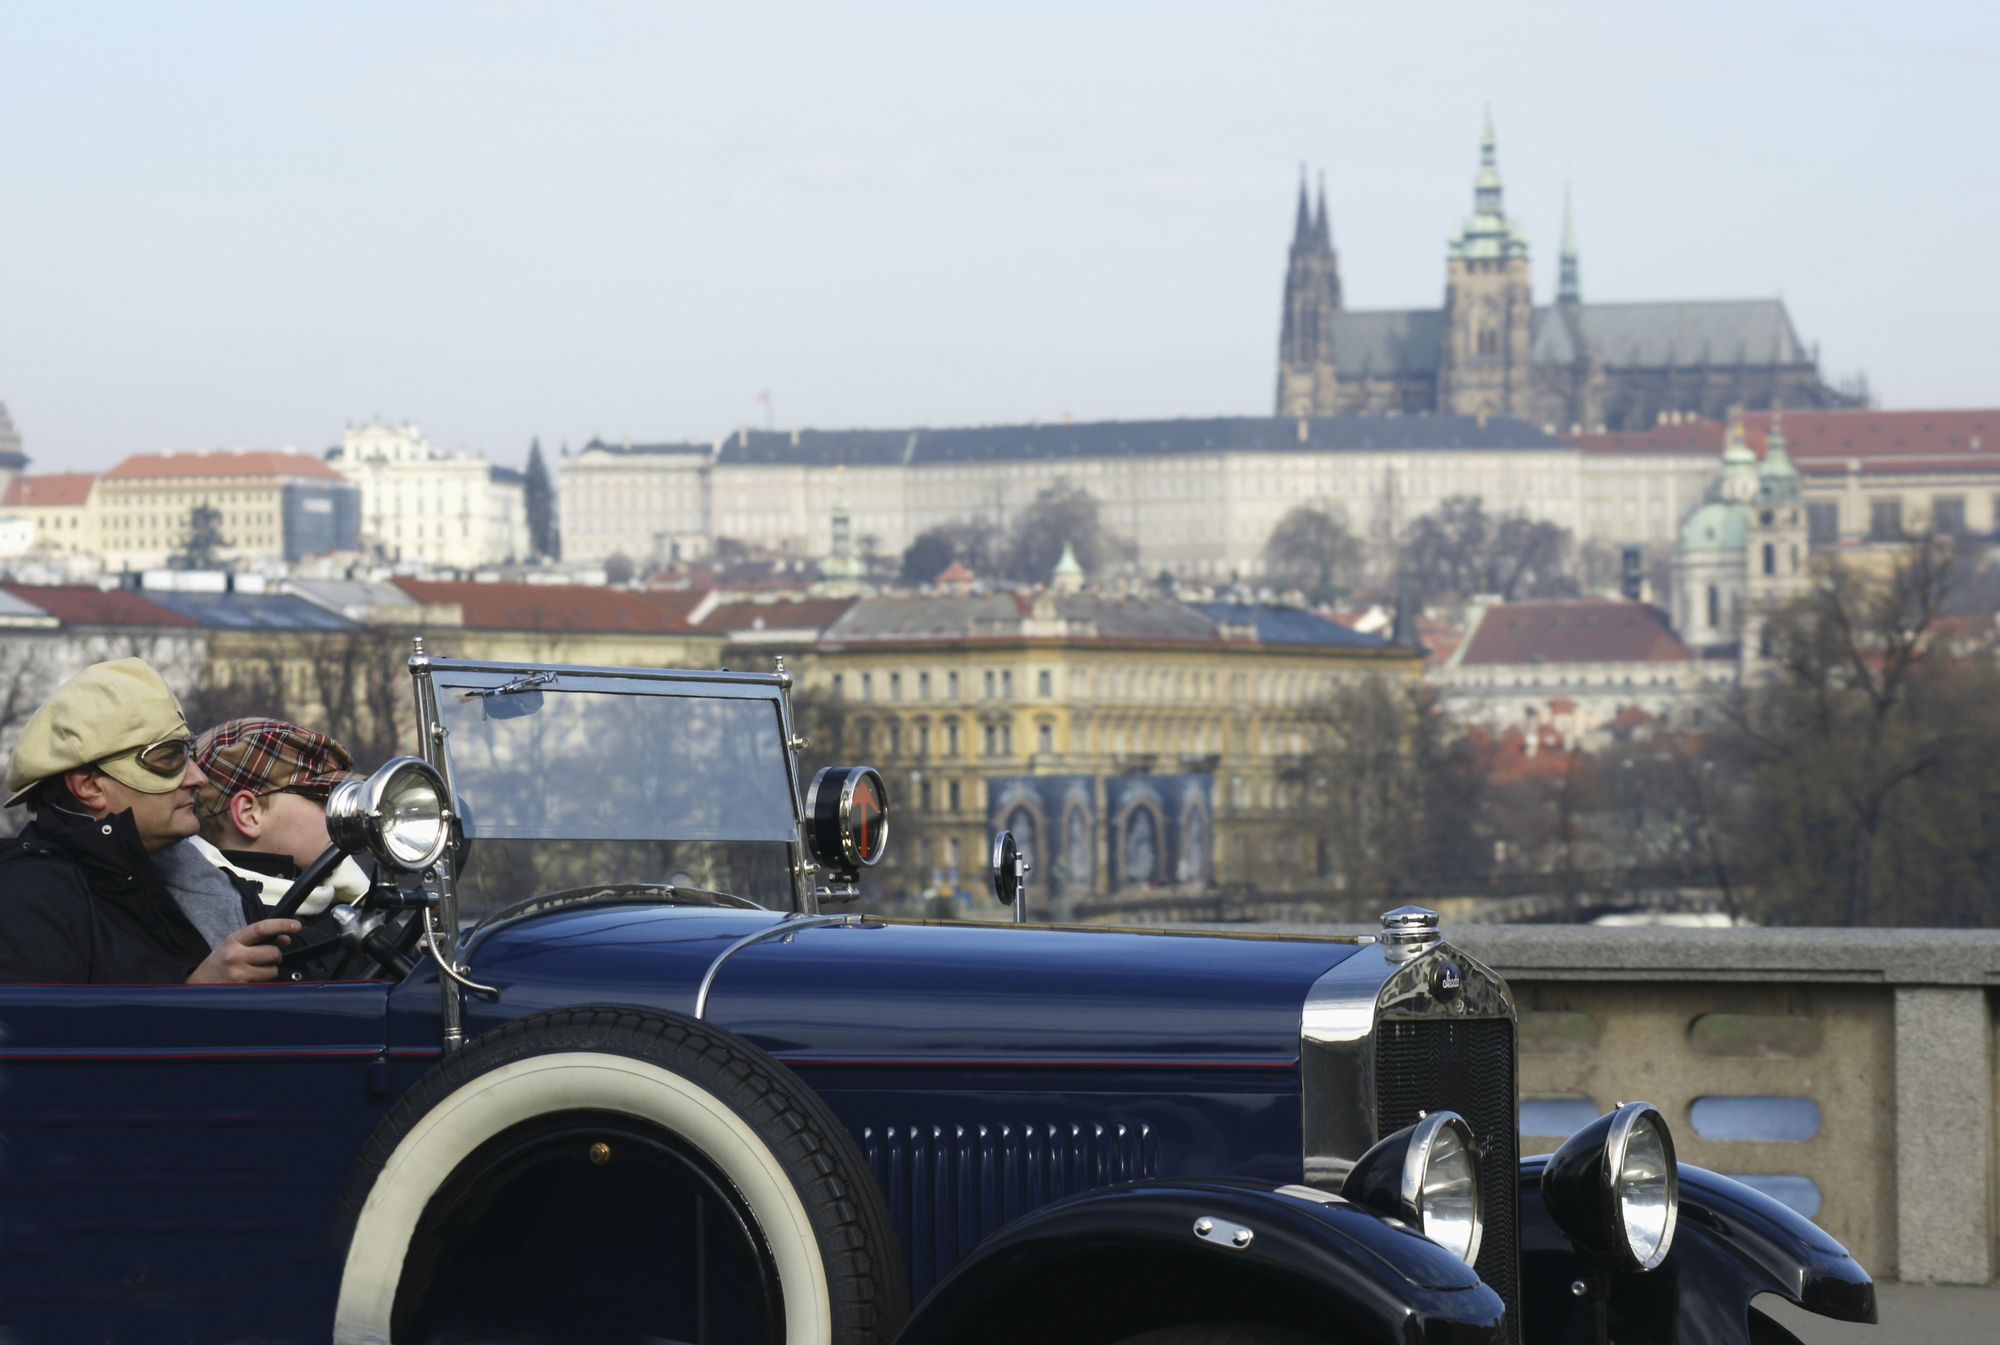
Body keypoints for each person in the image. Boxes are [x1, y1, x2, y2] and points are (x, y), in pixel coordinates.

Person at [0, 658, 300, 984]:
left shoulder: (211, 883)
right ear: (89, 786)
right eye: (168, 758)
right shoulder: (22, 903)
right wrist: (194, 994)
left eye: (190, 754)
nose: (198, 778)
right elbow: (42, 1031)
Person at [185, 717, 370, 926]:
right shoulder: (211, 927)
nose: (341, 812)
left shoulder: (364, 903)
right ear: (249, 814)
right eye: (322, 797)